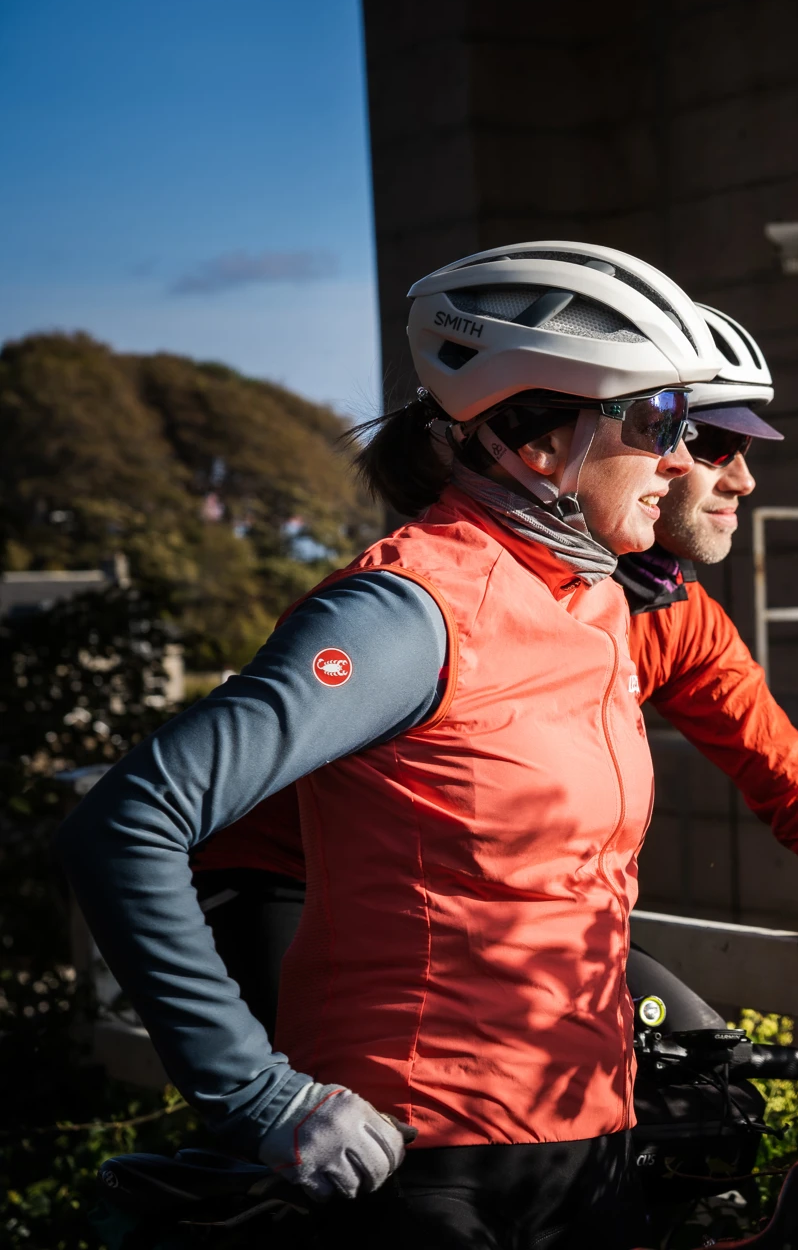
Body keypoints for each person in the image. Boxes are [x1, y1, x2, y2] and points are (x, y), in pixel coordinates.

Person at [61, 241, 730, 1247]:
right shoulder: (407, 612)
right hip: (422, 1163)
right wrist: (258, 1096)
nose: (683, 458)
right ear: (541, 444)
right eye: (657, 420)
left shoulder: (593, 602)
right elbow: (126, 822)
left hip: (587, 1149)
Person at [187, 301, 798, 1029]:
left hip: (482, 914)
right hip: (289, 888)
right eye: (707, 442)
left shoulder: (673, 615)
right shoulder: (440, 593)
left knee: (701, 1073)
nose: (739, 479)